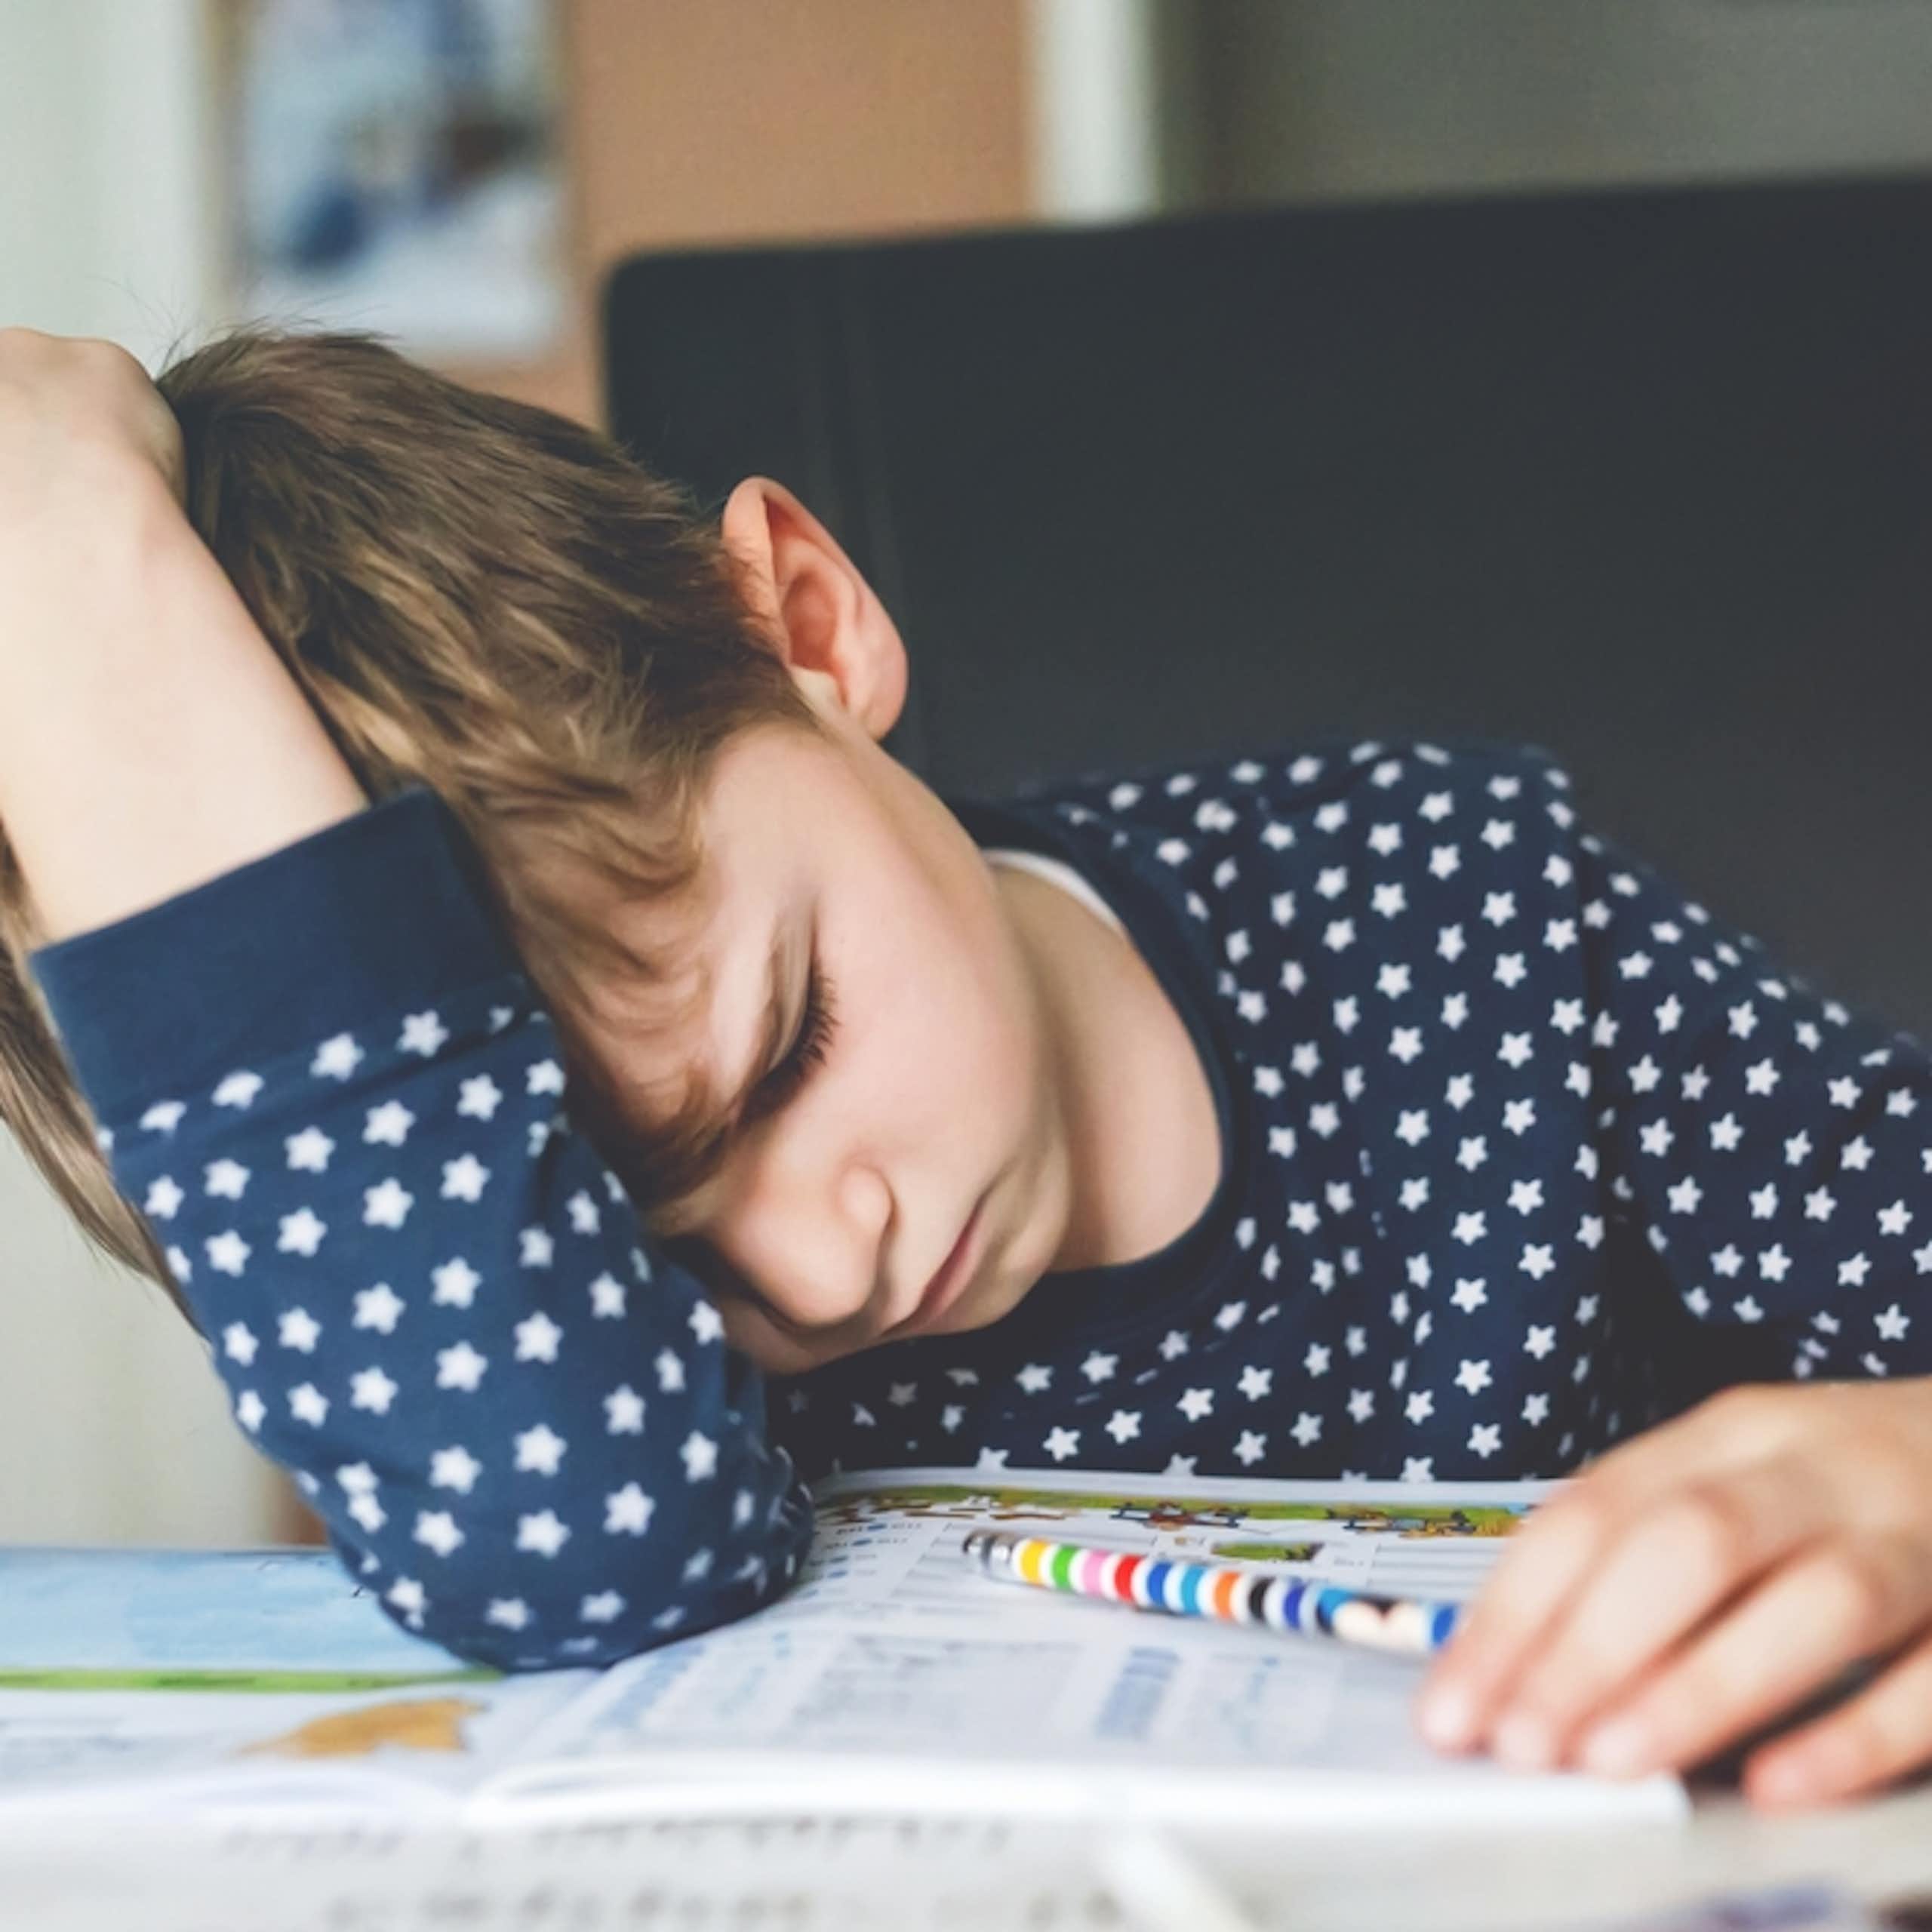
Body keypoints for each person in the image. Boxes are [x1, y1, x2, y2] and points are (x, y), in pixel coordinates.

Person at [2, 325, 1930, 1814]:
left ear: (809, 630)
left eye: (793, 1048)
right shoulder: (584, 1392)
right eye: (647, 1260)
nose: (818, 1274)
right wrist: (69, 547)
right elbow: (560, 1521)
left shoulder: (1461, 915)